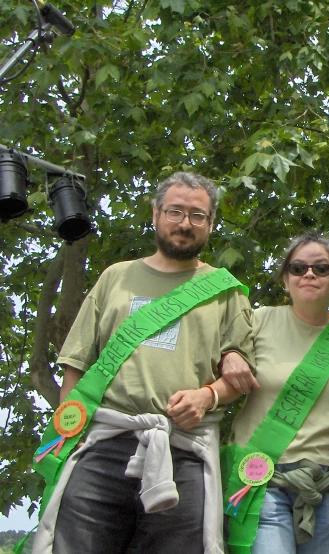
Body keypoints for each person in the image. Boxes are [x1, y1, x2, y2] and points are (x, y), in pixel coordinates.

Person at [32, 171, 257, 554]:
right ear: (155, 214)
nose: (185, 224)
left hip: (183, 455)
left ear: (211, 223)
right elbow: (76, 366)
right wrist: (71, 436)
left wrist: (208, 397)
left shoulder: (227, 291)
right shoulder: (115, 278)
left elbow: (240, 378)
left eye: (197, 215)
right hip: (101, 446)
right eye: (175, 212)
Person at [222, 233, 329, 554]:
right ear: (285, 280)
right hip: (261, 479)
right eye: (298, 268)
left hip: (324, 486)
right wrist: (229, 354)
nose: (309, 274)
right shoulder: (257, 321)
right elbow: (219, 355)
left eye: (321, 268)